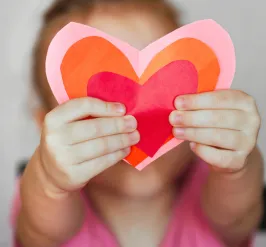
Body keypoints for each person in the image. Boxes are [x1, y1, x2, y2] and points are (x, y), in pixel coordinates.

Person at [11, 0, 264, 246]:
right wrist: (49, 179)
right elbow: (38, 233)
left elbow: (239, 216)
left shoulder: (211, 187)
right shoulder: (55, 205)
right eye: (103, 103)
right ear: (46, 129)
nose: (136, 125)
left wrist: (238, 167)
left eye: (163, 97)